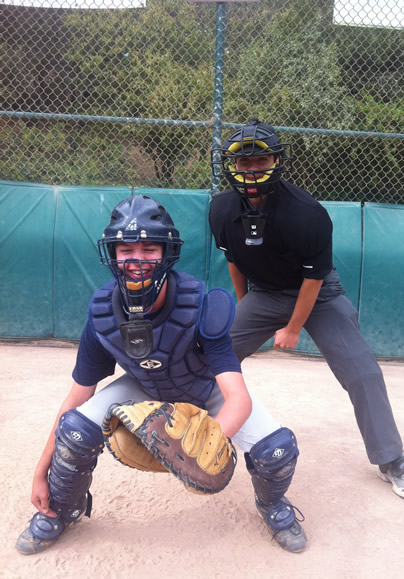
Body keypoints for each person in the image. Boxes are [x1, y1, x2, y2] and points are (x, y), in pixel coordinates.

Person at [16, 194, 307, 556]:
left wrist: (208, 440)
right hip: (144, 386)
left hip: (203, 389)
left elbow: (238, 397)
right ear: (112, 254)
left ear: (167, 251)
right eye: (125, 250)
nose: (137, 260)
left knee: (277, 451)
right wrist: (40, 470)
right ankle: (61, 509)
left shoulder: (200, 303)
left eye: (149, 248)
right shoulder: (103, 314)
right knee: (74, 429)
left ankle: (273, 505)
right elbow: (76, 397)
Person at [209, 118, 404, 501]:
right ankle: (188, 432)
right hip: (264, 293)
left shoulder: (306, 213)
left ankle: (393, 460)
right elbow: (235, 262)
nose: (252, 170)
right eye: (244, 163)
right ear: (231, 165)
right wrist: (246, 309)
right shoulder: (221, 210)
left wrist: (293, 329)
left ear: (277, 161)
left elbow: (313, 281)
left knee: (363, 372)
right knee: (209, 353)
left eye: (261, 161)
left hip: (318, 295)